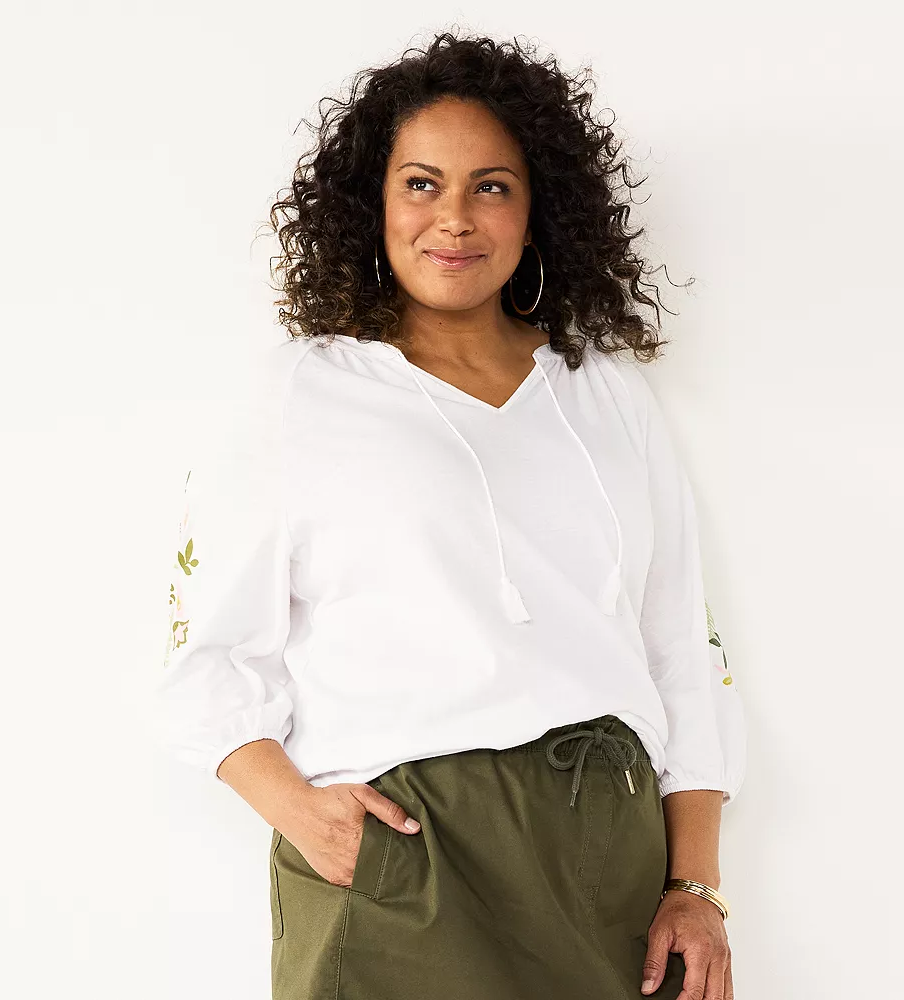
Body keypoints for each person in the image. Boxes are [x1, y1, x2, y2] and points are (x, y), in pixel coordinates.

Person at [152, 31, 746, 1000]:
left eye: (491, 186)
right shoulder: (305, 393)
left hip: (611, 867)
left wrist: (695, 884)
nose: (455, 218)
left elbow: (681, 647)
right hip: (405, 859)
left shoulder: (605, 396)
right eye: (421, 184)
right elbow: (205, 653)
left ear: (536, 209)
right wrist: (300, 813)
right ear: (374, 203)